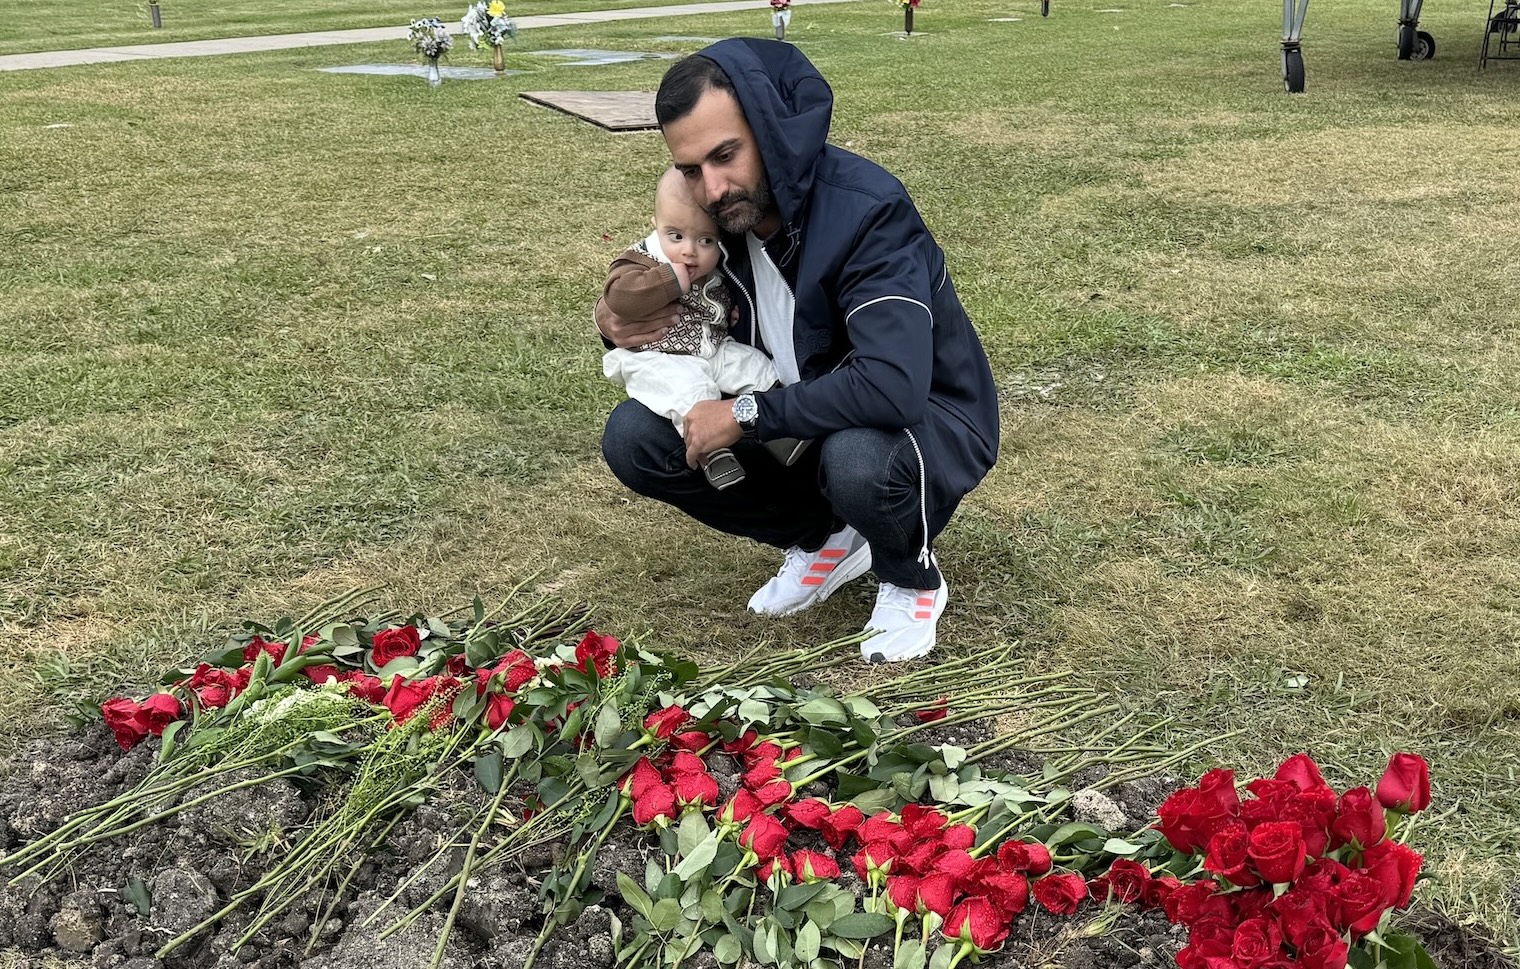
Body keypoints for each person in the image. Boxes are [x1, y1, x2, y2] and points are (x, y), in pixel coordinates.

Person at [594, 38, 999, 663]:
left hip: (922, 419)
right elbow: (647, 277)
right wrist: (616, 321)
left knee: (858, 458)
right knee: (633, 437)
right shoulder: (721, 220)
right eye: (693, 169)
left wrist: (743, 414)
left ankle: (909, 575)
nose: (714, 187)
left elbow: (892, 386)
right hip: (796, 409)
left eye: (726, 155)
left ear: (771, 128)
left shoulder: (870, 213)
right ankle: (824, 539)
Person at [602, 167, 805, 490]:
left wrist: (727, 314)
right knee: (691, 393)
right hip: (662, 358)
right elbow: (618, 296)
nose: (689, 251)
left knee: (754, 367)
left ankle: (783, 432)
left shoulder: (719, 259)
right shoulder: (645, 259)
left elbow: (720, 297)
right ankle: (712, 452)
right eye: (676, 236)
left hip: (712, 347)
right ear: (656, 227)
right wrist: (667, 282)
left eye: (705, 240)